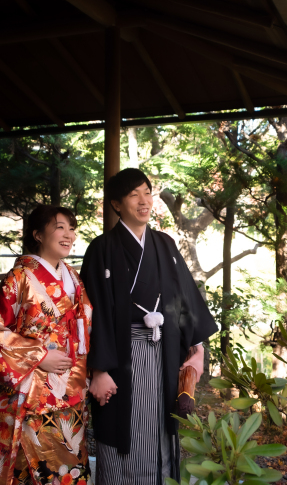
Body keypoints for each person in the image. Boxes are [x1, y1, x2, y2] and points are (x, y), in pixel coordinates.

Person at [81, 168, 218, 485]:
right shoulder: (102, 249)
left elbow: (183, 297)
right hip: (121, 357)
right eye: (133, 195)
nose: (144, 201)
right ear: (117, 204)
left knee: (162, 426)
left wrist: (196, 350)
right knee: (123, 427)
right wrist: (99, 370)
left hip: (166, 353)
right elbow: (93, 313)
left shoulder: (165, 244)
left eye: (147, 192)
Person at [0, 205, 92, 485]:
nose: (69, 235)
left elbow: (82, 329)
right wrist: (39, 356)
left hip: (70, 388)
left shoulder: (73, 278)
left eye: (72, 228)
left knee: (68, 464)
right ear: (38, 234)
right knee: (31, 471)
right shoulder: (20, 278)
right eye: (60, 227)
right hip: (30, 392)